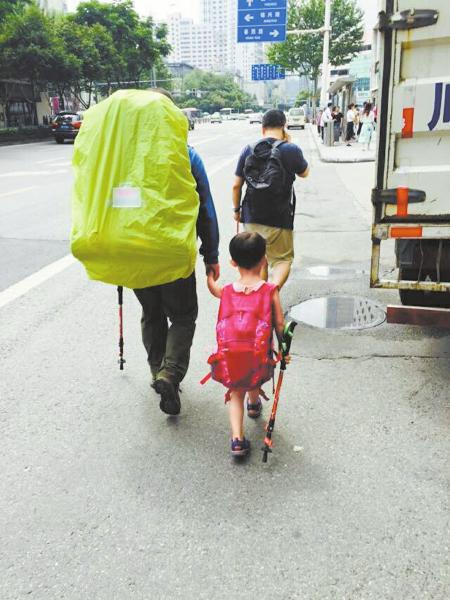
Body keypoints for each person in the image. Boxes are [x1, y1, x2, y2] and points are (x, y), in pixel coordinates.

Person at [134, 88, 220, 416]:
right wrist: (210, 254)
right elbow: (205, 209)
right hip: (174, 253)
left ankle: (159, 371)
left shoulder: (125, 158)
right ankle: (170, 372)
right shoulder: (186, 154)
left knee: (151, 313)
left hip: (136, 253)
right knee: (183, 315)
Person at [207, 232, 288, 456]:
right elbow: (279, 323)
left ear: (233, 262)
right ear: (264, 260)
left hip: (230, 353)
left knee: (236, 392)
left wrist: (209, 277)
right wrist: (283, 349)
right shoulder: (270, 290)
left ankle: (237, 439)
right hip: (257, 352)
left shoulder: (226, 291)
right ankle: (254, 406)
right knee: (253, 374)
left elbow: (214, 289)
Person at [232, 109, 309, 290]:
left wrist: (237, 210)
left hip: (252, 215)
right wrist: (287, 145)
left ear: (263, 128)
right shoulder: (291, 149)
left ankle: (260, 298)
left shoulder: (248, 149)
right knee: (282, 259)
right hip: (280, 217)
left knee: (259, 260)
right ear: (284, 126)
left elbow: (236, 185)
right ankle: (270, 293)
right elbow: (305, 173)